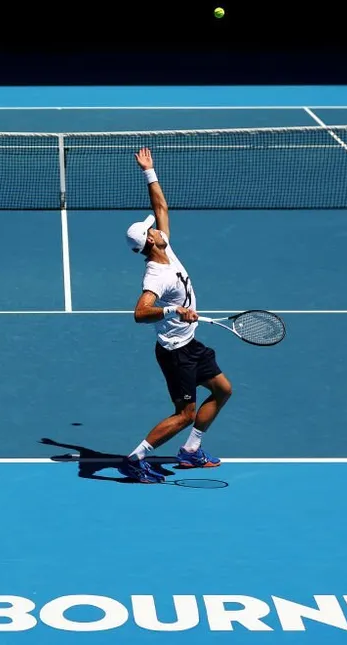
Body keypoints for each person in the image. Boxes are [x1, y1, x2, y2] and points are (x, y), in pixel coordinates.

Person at [120, 147, 233, 484]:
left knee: (223, 390)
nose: (155, 226)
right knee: (184, 414)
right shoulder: (156, 275)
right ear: (149, 242)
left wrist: (149, 172)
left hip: (190, 343)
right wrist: (173, 309)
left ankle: (190, 452)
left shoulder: (163, 244)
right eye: (150, 229)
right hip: (175, 354)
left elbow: (161, 207)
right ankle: (134, 459)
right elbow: (140, 313)